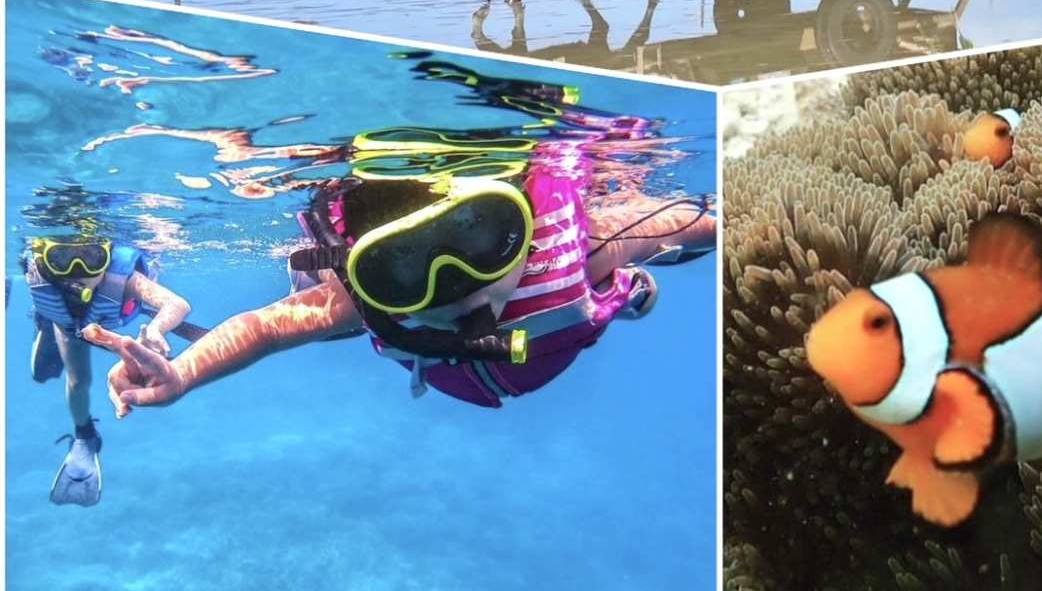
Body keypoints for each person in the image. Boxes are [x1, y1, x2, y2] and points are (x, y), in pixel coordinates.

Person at [83, 136, 717, 417]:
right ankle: (627, 292)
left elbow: (704, 221)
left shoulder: (577, 248)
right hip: (448, 363)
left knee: (619, 265)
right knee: (316, 312)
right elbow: (263, 328)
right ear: (370, 278)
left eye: (478, 237)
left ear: (516, 219)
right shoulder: (357, 303)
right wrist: (185, 373)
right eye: (406, 269)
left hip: (559, 330)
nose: (459, 284)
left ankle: (627, 293)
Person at [25, 238, 192, 506]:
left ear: (107, 257)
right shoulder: (36, 271)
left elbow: (177, 304)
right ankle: (84, 437)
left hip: (91, 322)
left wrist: (156, 329)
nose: (77, 272)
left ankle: (47, 320)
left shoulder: (124, 279)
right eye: (62, 259)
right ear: (45, 261)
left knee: (74, 377)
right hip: (66, 325)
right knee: (78, 380)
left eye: (90, 258)